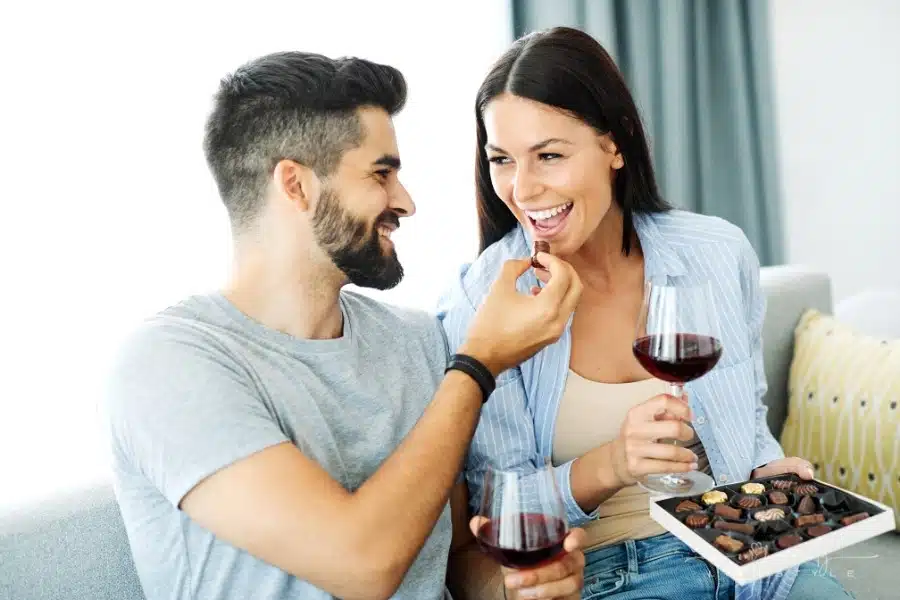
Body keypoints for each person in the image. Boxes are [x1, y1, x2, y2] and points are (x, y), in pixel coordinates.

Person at [102, 50, 589, 600]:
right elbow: (362, 567)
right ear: (296, 185)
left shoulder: (414, 342)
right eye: (381, 174)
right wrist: (478, 364)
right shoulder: (170, 365)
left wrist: (512, 588)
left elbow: (453, 558)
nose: (405, 202)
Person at [437, 26, 854, 600]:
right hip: (617, 571)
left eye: (550, 156)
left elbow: (746, 419)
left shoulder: (715, 252)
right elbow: (497, 504)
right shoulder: (488, 296)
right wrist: (611, 464)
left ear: (616, 144)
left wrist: (768, 473)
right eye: (501, 160)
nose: (523, 189)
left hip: (752, 549)